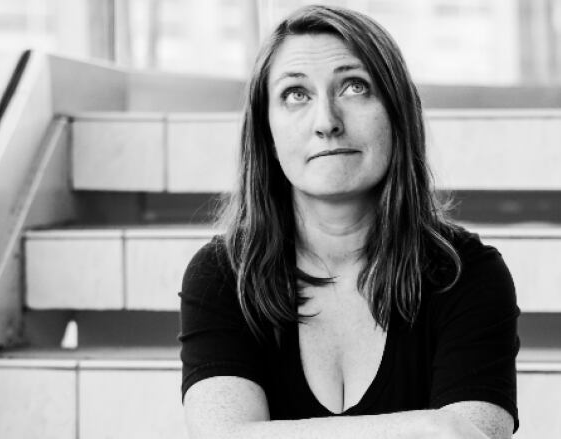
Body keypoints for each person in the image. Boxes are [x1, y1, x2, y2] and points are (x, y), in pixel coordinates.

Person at [179, 5, 520, 438]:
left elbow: (469, 436)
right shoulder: (225, 275)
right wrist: (428, 427)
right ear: (267, 132)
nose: (326, 123)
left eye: (355, 87)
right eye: (296, 94)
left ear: (398, 112)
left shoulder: (465, 273)